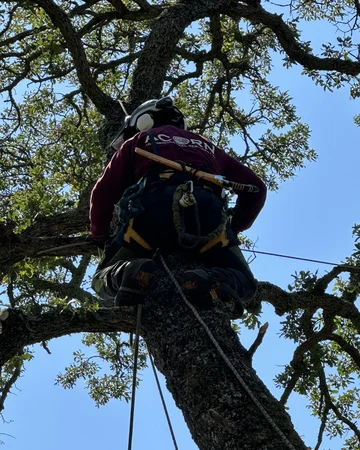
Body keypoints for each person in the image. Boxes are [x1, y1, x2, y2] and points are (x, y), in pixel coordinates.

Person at [90, 97, 266, 318]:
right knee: (246, 283)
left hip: (152, 211)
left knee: (99, 279)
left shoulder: (138, 140)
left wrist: (99, 235)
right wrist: (233, 227)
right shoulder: (209, 147)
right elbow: (256, 188)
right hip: (207, 211)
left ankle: (130, 271)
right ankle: (207, 282)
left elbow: (103, 192)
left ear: (142, 121)